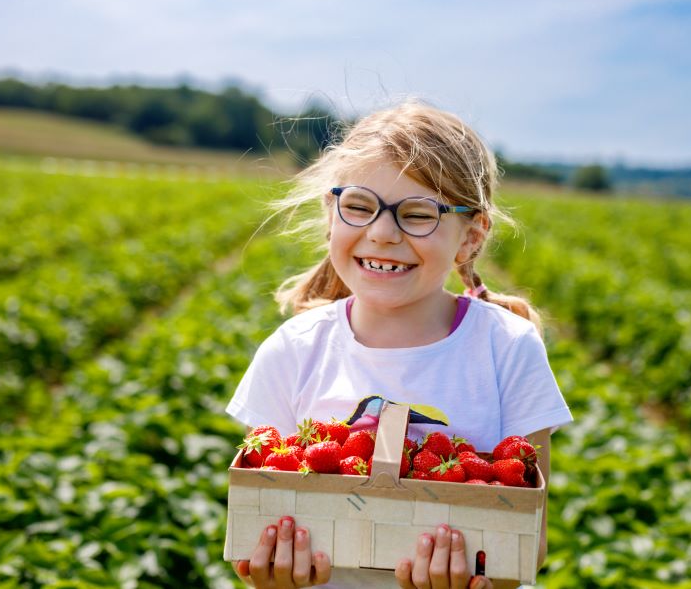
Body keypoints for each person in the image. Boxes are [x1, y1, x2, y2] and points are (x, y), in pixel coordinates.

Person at [226, 100, 573, 588]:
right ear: (332, 213)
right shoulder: (292, 351)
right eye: (360, 206)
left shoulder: (506, 349)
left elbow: (526, 542)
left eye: (417, 214)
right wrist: (269, 576)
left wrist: (482, 578)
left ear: (471, 236)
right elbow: (257, 515)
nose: (382, 233)